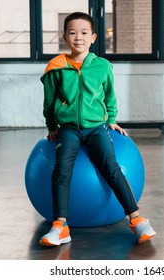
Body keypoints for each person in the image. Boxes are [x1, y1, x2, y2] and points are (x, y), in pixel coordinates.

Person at [39, 12, 156, 246]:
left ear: (93, 37)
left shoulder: (102, 66)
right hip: (69, 129)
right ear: (64, 37)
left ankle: (137, 219)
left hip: (96, 128)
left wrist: (111, 119)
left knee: (111, 167)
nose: (78, 38)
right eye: (72, 33)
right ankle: (60, 226)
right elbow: (49, 102)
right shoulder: (56, 68)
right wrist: (52, 126)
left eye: (83, 33)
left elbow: (110, 96)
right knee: (61, 169)